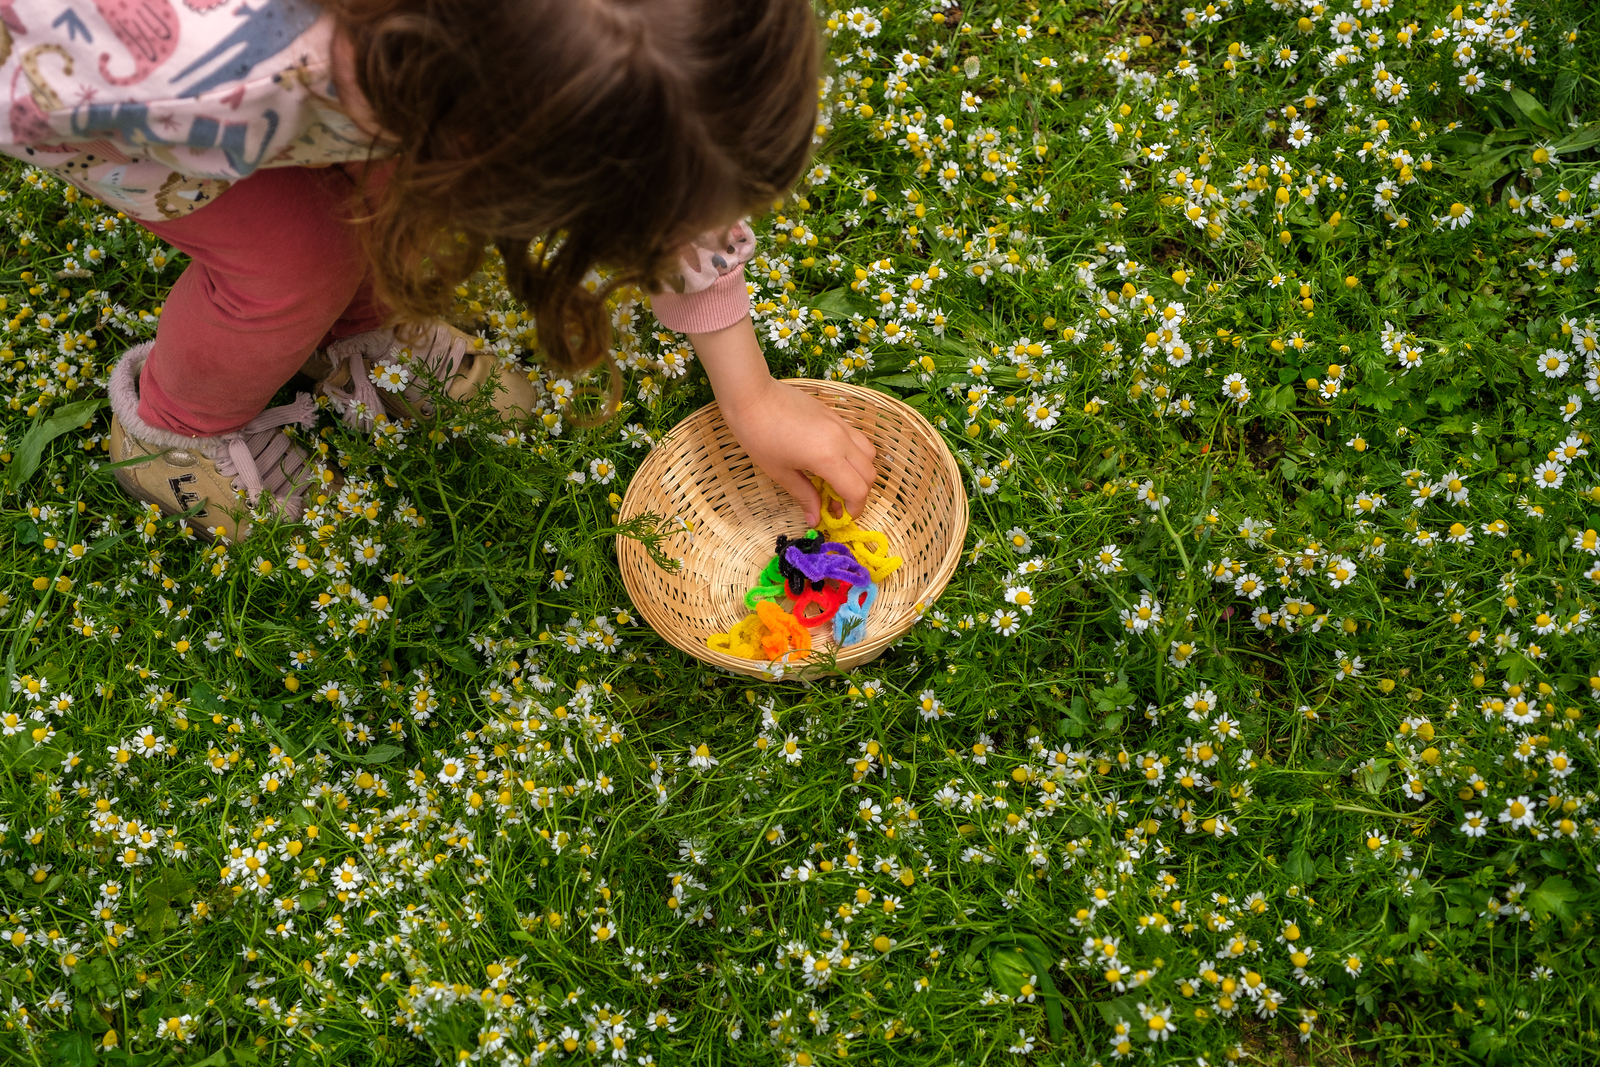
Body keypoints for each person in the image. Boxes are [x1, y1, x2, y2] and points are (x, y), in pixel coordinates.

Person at [0, 0, 878, 540]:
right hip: (103, 99)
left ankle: (357, 331)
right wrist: (292, 156)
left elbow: (666, 121)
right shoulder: (188, 80)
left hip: (360, 81)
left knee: (390, 207)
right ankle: (169, 434)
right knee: (292, 259)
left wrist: (749, 394)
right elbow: (38, 78)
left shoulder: (569, 40)